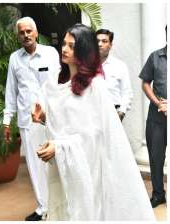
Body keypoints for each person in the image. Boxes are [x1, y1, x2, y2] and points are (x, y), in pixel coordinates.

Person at [32, 23, 155, 220]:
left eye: (71, 46)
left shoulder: (94, 86)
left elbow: (93, 135)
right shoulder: (55, 81)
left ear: (84, 50)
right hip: (63, 167)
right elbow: (65, 123)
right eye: (64, 44)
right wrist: (44, 117)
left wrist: (60, 147)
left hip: (88, 167)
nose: (64, 49)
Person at [3, 17, 60, 221]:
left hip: (50, 119)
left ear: (36, 33)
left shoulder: (51, 54)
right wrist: (6, 121)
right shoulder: (14, 59)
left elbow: (59, 85)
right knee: (35, 167)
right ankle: (42, 207)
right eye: (22, 32)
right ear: (18, 36)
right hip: (27, 122)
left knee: (54, 163)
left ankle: (58, 206)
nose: (26, 35)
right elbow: (11, 91)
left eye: (29, 31)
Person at [139, 26, 167, 208]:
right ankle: (158, 194)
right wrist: (159, 103)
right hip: (157, 117)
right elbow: (145, 83)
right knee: (156, 157)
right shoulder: (155, 57)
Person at [96, 29, 133, 121]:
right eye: (97, 41)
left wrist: (121, 112)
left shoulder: (119, 66)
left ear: (110, 45)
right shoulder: (87, 66)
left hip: (113, 113)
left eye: (104, 41)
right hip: (92, 113)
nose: (99, 44)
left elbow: (127, 92)